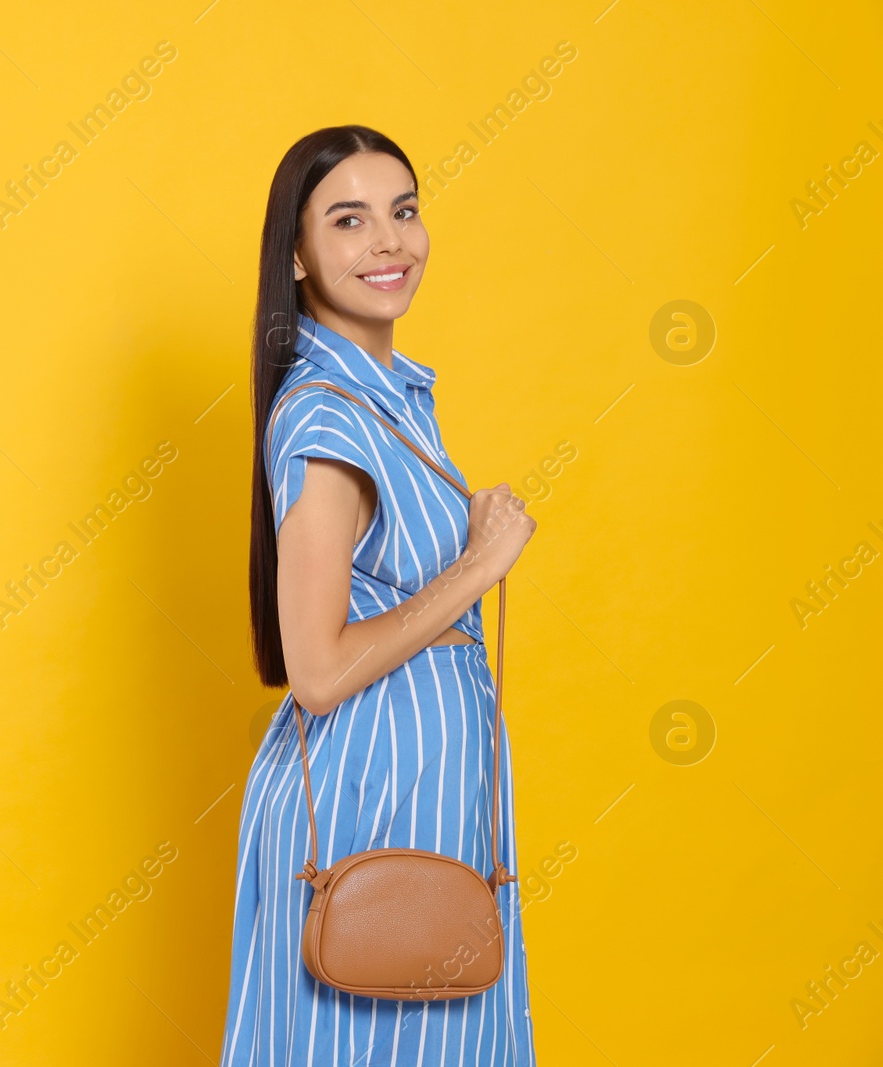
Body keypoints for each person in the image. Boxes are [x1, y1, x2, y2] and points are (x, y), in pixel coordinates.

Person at [222, 125, 538, 1066]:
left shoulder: (389, 398)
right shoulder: (325, 415)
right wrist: (477, 568)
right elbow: (315, 671)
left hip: (425, 801)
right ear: (299, 254)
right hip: (374, 802)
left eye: (403, 211)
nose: (389, 242)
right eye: (350, 220)